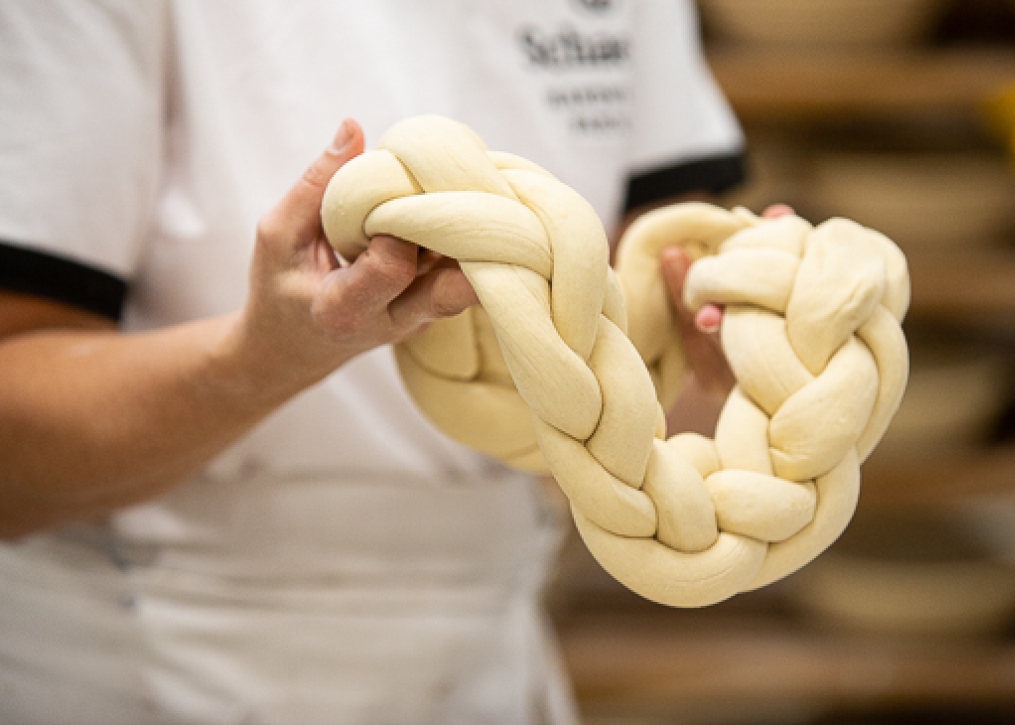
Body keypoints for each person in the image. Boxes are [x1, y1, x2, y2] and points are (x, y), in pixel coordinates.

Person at [0, 0, 746, 722]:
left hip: (479, 652)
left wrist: (742, 325)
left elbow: (638, 317)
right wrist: (259, 359)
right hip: (143, 650)